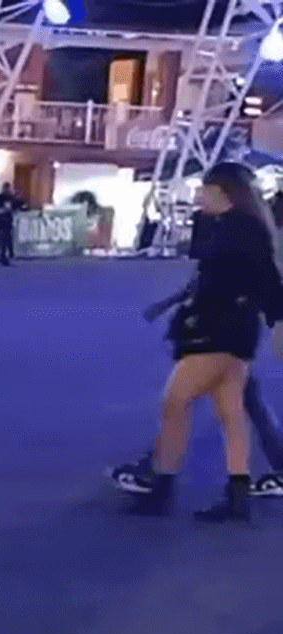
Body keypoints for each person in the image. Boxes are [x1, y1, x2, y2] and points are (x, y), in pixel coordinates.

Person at [119, 161, 283, 520]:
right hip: (237, 333)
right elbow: (266, 279)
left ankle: (161, 487)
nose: (199, 195)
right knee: (231, 413)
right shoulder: (246, 228)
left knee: (175, 405)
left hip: (215, 330)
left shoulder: (237, 231)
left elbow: (256, 280)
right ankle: (237, 496)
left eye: (205, 190)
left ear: (222, 192)